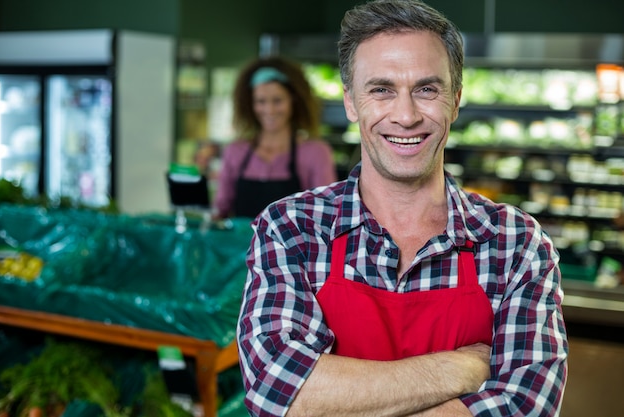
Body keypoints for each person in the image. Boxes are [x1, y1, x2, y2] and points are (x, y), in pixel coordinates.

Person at [237, 0, 568, 416]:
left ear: (456, 99)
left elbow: (525, 406)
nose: (407, 115)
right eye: (381, 90)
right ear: (351, 103)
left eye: (427, 89)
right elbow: (280, 393)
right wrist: (461, 368)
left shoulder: (516, 244)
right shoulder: (291, 229)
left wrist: (338, 397)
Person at [213, 56, 338, 219]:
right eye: (261, 101)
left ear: (293, 100)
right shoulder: (235, 151)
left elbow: (327, 215)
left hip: (294, 245)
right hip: (240, 245)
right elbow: (220, 211)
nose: (269, 110)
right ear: (250, 104)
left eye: (277, 101)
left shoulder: (315, 153)